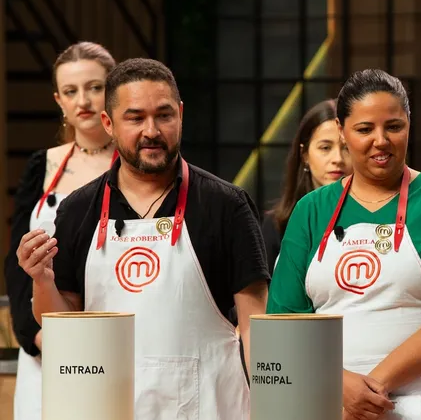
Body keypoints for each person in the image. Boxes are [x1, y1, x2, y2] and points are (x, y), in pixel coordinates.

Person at [16, 58, 268, 418]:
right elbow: (62, 324)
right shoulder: (78, 209)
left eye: (164, 115)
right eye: (135, 118)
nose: (152, 130)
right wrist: (41, 279)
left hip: (211, 406)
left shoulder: (226, 205)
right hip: (108, 406)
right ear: (109, 123)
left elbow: (255, 327)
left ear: (180, 115)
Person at [266, 68, 421, 420]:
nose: (380, 140)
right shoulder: (311, 210)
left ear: (409, 126)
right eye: (365, 129)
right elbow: (282, 321)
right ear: (342, 131)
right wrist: (341, 386)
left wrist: (373, 385)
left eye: (394, 127)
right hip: (330, 404)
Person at [4, 41, 117, 420]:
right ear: (59, 100)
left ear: (114, 90)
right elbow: (17, 264)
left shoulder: (139, 165)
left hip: (115, 335)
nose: (83, 99)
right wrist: (36, 338)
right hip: (48, 342)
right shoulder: (42, 166)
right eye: (71, 91)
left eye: (95, 87)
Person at [261, 98, 352, 273]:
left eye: (346, 148)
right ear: (305, 155)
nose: (338, 159)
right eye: (325, 148)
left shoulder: (378, 217)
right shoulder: (277, 225)